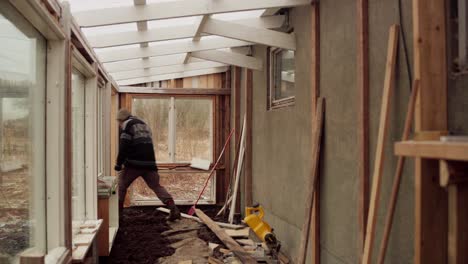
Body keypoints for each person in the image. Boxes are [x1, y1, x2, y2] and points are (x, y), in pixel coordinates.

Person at [114, 108, 181, 221]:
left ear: (121, 120)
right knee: (156, 186)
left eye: (119, 122)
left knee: (121, 186)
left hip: (134, 164)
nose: (119, 125)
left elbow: (124, 147)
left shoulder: (127, 125)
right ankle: (173, 209)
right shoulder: (144, 124)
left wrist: (118, 164)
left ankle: (118, 216)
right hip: (150, 164)